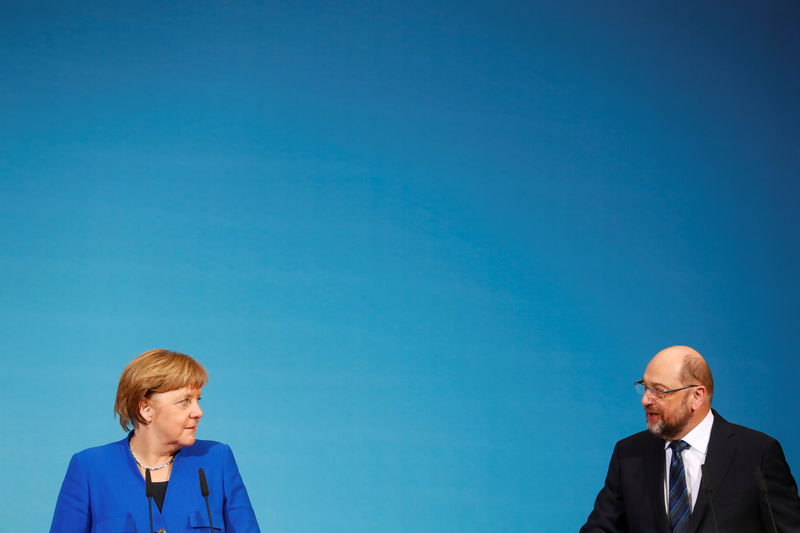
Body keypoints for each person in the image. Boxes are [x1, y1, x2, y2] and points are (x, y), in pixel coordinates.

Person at [581, 345, 800, 533]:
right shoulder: (629, 453)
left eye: (660, 391)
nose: (646, 400)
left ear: (697, 396)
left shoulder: (756, 453)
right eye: (645, 388)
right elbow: (600, 528)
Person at [50, 349, 260, 532]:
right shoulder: (90, 468)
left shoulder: (216, 460)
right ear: (146, 408)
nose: (198, 412)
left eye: (198, 400)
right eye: (184, 401)